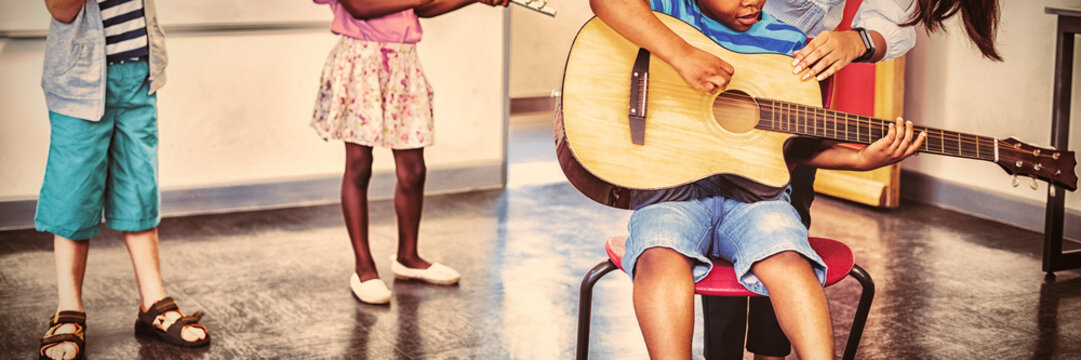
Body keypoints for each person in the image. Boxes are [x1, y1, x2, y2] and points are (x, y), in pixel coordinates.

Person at [588, 0, 927, 358]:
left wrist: (860, 159)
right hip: (672, 195)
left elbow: (796, 147)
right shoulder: (671, 13)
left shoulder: (790, 46)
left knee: (790, 261)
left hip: (758, 202)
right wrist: (681, 55)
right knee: (659, 257)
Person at [702, 0, 1003, 358]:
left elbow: (892, 19)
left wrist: (858, 41)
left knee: (788, 223)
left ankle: (772, 354)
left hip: (797, 78)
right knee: (715, 215)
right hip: (716, 54)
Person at [36, 1, 210, 359]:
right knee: (73, 194)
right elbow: (61, 10)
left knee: (139, 188)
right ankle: (68, 309)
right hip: (79, 79)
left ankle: (152, 302)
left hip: (140, 73)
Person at [310, 0, 509, 305]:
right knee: (359, 165)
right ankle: (364, 267)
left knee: (413, 170)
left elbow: (423, 8)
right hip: (359, 61)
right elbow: (359, 7)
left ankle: (408, 257)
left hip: (403, 63)